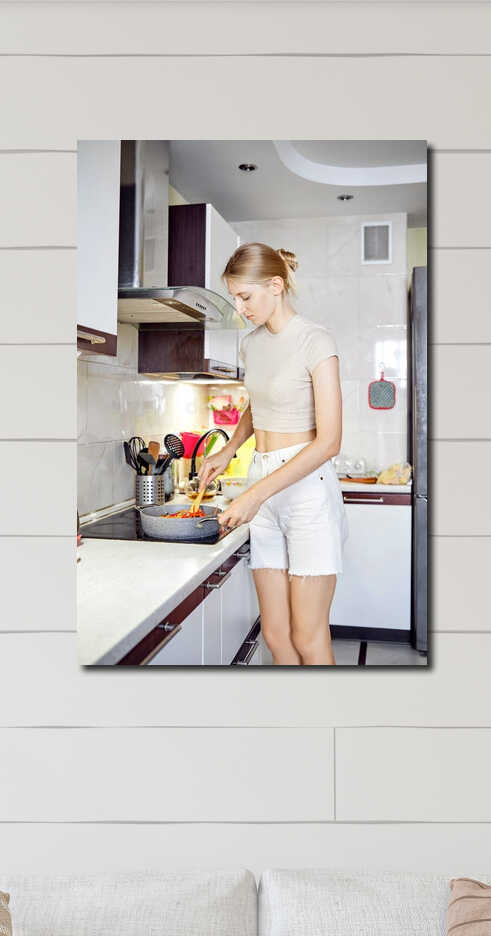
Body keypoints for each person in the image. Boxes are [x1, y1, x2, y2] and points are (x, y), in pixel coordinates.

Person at [196, 242, 346, 666]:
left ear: (276, 286)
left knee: (307, 637)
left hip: (306, 493)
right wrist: (229, 449)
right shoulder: (252, 344)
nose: (240, 307)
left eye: (245, 297)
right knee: (276, 635)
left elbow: (330, 440)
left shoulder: (316, 340)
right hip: (262, 480)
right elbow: (257, 402)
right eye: (235, 298)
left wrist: (255, 494)